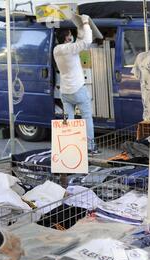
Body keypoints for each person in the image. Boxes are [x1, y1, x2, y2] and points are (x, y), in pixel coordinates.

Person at [54, 14, 99, 155]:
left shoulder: (57, 49)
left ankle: (70, 146)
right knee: (87, 117)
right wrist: (85, 22)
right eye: (69, 35)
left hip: (65, 92)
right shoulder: (69, 48)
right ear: (67, 38)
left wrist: (80, 28)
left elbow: (79, 43)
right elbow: (86, 41)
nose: (71, 36)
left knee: (69, 119)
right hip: (78, 89)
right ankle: (90, 147)